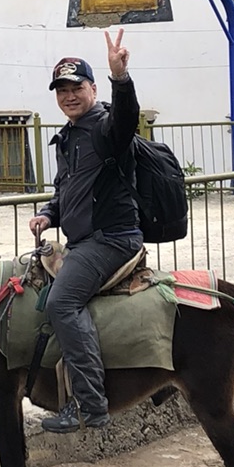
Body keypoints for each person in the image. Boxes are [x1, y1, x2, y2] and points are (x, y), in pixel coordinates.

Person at [28, 29, 143, 433]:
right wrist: (48, 214)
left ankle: (90, 406)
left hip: (112, 239)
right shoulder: (68, 138)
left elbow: (127, 118)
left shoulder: (106, 127)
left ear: (93, 88)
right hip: (83, 241)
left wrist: (121, 78)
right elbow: (67, 193)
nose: (69, 96)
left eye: (76, 87)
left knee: (61, 303)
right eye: (62, 90)